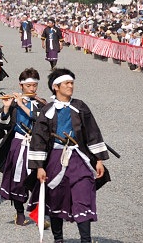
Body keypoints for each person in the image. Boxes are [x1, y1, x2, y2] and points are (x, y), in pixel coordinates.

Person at [27, 68, 110, 243]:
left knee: (83, 197)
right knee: (56, 199)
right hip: (55, 160)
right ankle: (58, 240)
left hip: (79, 158)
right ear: (56, 86)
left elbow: (93, 132)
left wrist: (99, 160)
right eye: (67, 83)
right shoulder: (48, 110)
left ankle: (85, 240)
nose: (71, 86)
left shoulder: (80, 106)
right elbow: (39, 138)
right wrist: (40, 167)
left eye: (72, 83)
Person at [0, 68, 46, 226]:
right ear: (21, 86)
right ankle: (19, 212)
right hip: (18, 144)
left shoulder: (41, 104)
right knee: (18, 179)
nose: (32, 89)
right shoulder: (13, 103)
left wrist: (22, 104)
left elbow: (41, 120)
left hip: (36, 145)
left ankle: (38, 211)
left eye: (34, 85)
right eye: (29, 86)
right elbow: (2, 124)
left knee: (38, 179)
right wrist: (6, 107)